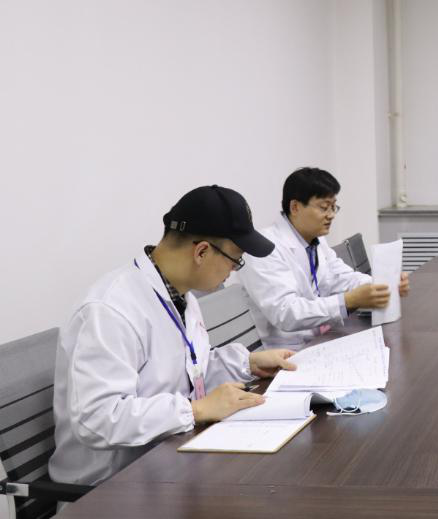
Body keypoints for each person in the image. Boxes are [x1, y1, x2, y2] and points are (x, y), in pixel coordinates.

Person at [50, 186, 299, 486]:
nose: (234, 270)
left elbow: (186, 370)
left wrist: (246, 363)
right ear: (202, 251)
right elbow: (97, 419)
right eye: (235, 259)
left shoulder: (181, 296)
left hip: (167, 462)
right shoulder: (110, 310)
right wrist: (195, 410)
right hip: (109, 488)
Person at [239, 167, 410, 347]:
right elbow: (286, 313)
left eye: (333, 207)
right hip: (286, 350)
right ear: (295, 207)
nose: (331, 215)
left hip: (321, 339)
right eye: (324, 207)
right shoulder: (263, 249)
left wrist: (382, 285)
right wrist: (347, 301)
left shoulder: (315, 239)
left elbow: (339, 276)